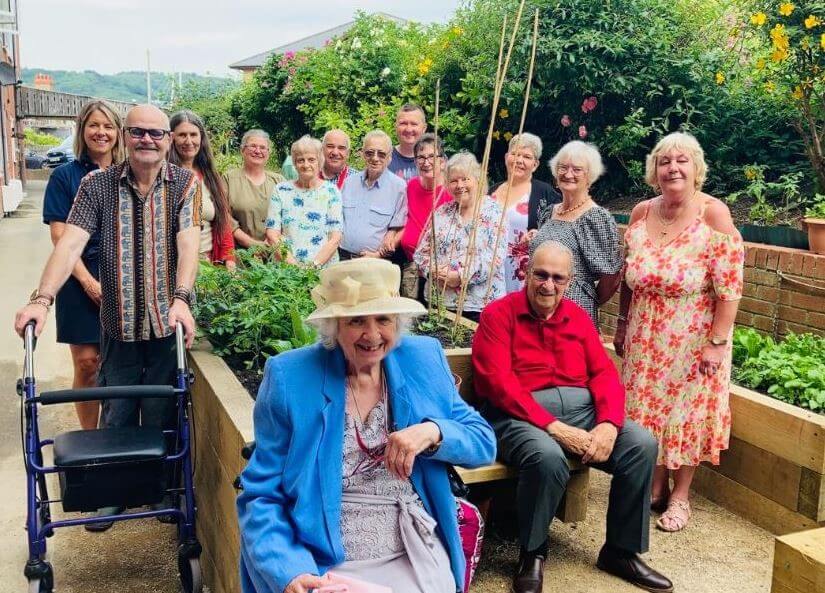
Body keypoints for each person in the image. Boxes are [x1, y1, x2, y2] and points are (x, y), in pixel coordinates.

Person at [237, 258, 496, 593]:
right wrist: (289, 570)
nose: (372, 334)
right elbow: (261, 494)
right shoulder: (291, 377)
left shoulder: (423, 359)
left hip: (412, 547)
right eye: (356, 320)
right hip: (324, 555)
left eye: (384, 319)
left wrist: (433, 432)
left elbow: (483, 442)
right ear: (334, 327)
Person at [15, 104, 201, 531]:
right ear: (125, 135)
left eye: (156, 134)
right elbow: (69, 245)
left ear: (168, 140)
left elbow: (188, 245)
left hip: (164, 324)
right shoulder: (96, 186)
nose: (147, 141)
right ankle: (114, 496)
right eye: (138, 132)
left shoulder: (185, 184)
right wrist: (42, 300)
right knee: (117, 410)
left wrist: (183, 298)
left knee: (159, 412)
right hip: (116, 323)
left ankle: (158, 491)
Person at [472, 241, 673, 593]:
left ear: (569, 281)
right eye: (541, 275)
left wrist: (609, 423)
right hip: (516, 415)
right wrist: (553, 427)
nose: (548, 285)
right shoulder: (498, 315)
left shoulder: (577, 317)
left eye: (558, 278)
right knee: (547, 457)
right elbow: (498, 384)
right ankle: (532, 553)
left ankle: (620, 551)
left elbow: (604, 374)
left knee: (641, 443)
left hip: (581, 411)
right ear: (526, 273)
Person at [615, 132, 744, 533]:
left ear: (696, 169)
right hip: (644, 337)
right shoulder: (640, 213)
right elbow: (627, 277)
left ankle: (681, 495)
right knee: (645, 413)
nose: (673, 167)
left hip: (693, 340)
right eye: (665, 161)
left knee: (687, 414)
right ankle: (655, 484)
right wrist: (620, 324)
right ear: (655, 171)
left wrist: (718, 342)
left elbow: (730, 287)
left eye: (682, 161)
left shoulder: (713, 215)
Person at [42, 100, 125, 430]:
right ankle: (90, 437)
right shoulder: (65, 177)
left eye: (108, 126)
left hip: (121, 276)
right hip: (77, 277)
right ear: (82, 130)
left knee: (118, 364)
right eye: (94, 125)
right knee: (88, 362)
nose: (101, 133)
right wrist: (89, 282)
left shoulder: (129, 173)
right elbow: (60, 236)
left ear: (118, 133)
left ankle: (116, 435)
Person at [530, 141, 622, 325]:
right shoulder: (549, 211)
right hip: (538, 305)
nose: (568, 174)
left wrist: (586, 298)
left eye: (577, 169)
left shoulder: (595, 217)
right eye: (563, 167)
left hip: (573, 311)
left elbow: (611, 275)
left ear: (590, 176)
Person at [414, 152, 505, 322]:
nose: (459, 185)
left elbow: (495, 258)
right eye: (454, 181)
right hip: (439, 303)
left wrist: (460, 277)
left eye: (465, 179)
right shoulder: (441, 212)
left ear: (477, 180)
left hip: (479, 307)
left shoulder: (494, 211)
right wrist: (433, 271)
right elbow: (420, 254)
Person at [491, 133, 560, 293]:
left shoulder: (545, 193)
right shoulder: (492, 191)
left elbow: (559, 228)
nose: (519, 160)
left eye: (527, 157)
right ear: (507, 157)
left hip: (524, 273)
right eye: (515, 154)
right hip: (492, 271)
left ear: (535, 164)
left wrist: (540, 235)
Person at [169, 110, 236, 271]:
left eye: (193, 134)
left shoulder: (210, 177)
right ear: (171, 138)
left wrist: (230, 260)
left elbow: (223, 222)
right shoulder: (165, 177)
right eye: (182, 135)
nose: (189, 141)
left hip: (209, 266)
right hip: (176, 268)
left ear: (201, 138)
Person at [264, 135, 343, 266]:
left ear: (320, 161)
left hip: (323, 268)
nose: (306, 165)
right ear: (294, 163)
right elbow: (272, 234)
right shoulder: (281, 190)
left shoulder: (332, 191)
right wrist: (294, 267)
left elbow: (335, 237)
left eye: (311, 159)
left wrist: (313, 267)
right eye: (301, 160)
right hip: (287, 270)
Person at [398, 133, 452, 300]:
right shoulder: (411, 186)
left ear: (442, 161)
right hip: (411, 268)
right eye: (421, 157)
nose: (426, 162)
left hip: (439, 272)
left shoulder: (451, 192)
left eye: (431, 157)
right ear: (415, 162)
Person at [339, 130, 407, 260]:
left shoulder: (399, 188)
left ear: (389, 158)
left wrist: (379, 255)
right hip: (342, 258)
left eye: (381, 154)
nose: (375, 158)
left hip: (374, 262)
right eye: (370, 153)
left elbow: (401, 228)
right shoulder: (349, 183)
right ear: (363, 154)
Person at [225, 129, 285, 248]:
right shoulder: (229, 179)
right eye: (253, 146)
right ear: (242, 150)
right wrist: (251, 244)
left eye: (263, 148)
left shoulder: (279, 181)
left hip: (277, 252)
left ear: (268, 153)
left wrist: (276, 242)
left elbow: (290, 216)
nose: (258, 151)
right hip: (241, 254)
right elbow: (224, 217)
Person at [388, 103, 427, 181]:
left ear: (424, 128)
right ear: (395, 126)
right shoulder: (384, 158)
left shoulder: (435, 160)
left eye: (414, 124)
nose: (408, 129)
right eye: (403, 123)